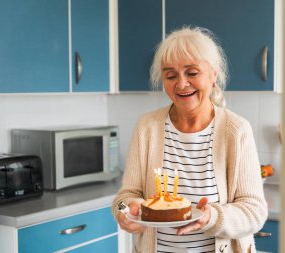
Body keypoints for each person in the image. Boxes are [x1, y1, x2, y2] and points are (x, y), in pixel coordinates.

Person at [112, 26, 267, 253]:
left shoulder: (236, 131)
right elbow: (125, 197)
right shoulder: (147, 128)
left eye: (192, 73)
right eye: (171, 75)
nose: (181, 84)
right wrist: (125, 211)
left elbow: (254, 212)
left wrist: (212, 217)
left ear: (213, 74)